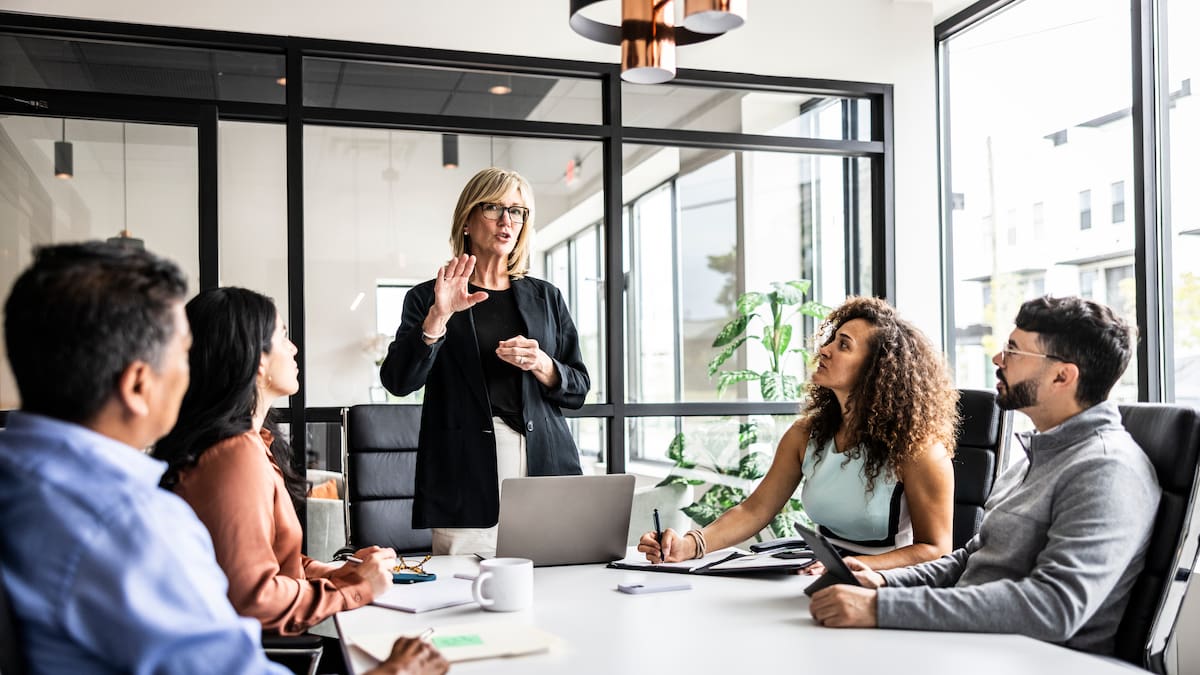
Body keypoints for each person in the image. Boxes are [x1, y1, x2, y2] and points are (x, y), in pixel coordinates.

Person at [0, 242, 445, 674]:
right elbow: (250, 604)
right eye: (181, 355)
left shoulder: (25, 479)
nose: (192, 371)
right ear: (138, 385)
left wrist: (339, 576)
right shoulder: (134, 526)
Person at [809, 296, 1160, 656]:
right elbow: (971, 558)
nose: (998, 359)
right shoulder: (1037, 457)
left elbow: (1053, 607)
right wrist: (883, 582)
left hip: (1032, 660)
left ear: (1062, 376)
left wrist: (880, 609)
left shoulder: (1106, 470)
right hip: (974, 646)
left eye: (1014, 350)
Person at [152, 288, 403, 641]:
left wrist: (339, 572)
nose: (294, 348)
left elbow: (266, 560)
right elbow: (253, 599)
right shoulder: (234, 457)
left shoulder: (252, 444)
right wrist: (355, 591)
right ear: (259, 360)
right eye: (283, 336)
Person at [640, 296, 959, 571]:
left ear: (877, 370)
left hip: (887, 585)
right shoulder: (807, 433)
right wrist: (689, 545)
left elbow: (936, 549)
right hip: (818, 573)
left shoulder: (919, 450)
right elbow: (755, 509)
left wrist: (855, 567)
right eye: (832, 339)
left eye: (843, 345)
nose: (825, 349)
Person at [380, 167, 590, 555]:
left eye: (518, 211)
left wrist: (544, 365)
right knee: (463, 596)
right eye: (494, 207)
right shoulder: (429, 296)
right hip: (465, 472)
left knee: (555, 588)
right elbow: (398, 381)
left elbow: (578, 388)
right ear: (467, 219)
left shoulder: (546, 297)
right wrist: (437, 319)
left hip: (545, 463)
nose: (507, 221)